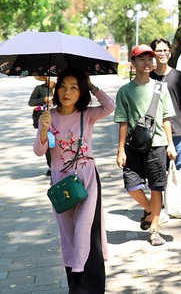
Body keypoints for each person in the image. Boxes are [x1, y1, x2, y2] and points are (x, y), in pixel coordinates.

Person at [33, 68, 116, 293]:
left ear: (81, 92)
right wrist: (43, 128)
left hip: (86, 180)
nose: (66, 92)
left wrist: (92, 86)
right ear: (56, 89)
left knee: (84, 232)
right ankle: (75, 287)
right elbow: (40, 151)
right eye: (62, 86)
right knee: (69, 236)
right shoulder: (49, 117)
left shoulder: (87, 114)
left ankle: (90, 288)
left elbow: (110, 106)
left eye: (73, 87)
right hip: (61, 184)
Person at [114, 44, 177, 246]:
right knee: (132, 186)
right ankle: (150, 209)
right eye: (141, 58)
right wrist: (120, 150)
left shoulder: (161, 88)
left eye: (150, 58)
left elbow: (166, 118)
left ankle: (155, 230)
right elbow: (123, 122)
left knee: (157, 187)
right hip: (133, 147)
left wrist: (170, 144)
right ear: (132, 62)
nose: (147, 62)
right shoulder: (124, 91)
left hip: (157, 145)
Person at [150, 37, 181, 217]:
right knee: (158, 170)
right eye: (159, 51)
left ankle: (176, 205)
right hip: (156, 132)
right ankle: (159, 207)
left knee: (178, 168)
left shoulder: (178, 76)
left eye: (165, 50)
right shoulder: (150, 77)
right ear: (154, 53)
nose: (162, 54)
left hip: (177, 129)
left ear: (170, 53)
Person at [29, 75, 55, 175]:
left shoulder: (61, 88)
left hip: (60, 119)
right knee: (47, 143)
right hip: (45, 120)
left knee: (58, 143)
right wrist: (44, 99)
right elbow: (31, 102)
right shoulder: (39, 88)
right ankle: (51, 166)